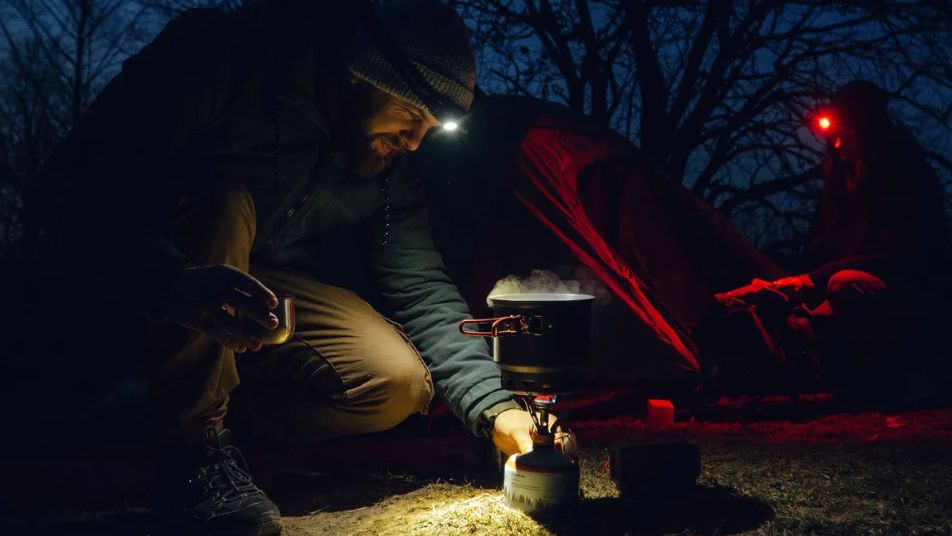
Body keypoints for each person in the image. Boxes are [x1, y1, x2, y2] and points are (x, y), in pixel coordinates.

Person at [21, 1, 542, 534]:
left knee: (395, 382)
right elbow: (72, 195)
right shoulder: (221, 59)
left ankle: (189, 417)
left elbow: (420, 284)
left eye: (429, 129)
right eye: (410, 116)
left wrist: (495, 408)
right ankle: (190, 449)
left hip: (254, 298)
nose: (413, 143)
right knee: (224, 203)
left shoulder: (389, 163)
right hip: (136, 281)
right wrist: (165, 280)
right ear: (358, 75)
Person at [712, 81, 952, 401]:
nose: (838, 145)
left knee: (845, 285)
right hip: (850, 287)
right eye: (833, 135)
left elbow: (895, 255)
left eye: (846, 132)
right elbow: (820, 250)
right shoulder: (839, 184)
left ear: (868, 128)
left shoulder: (905, 174)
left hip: (914, 291)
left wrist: (811, 281)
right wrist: (786, 288)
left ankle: (893, 385)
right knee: (785, 315)